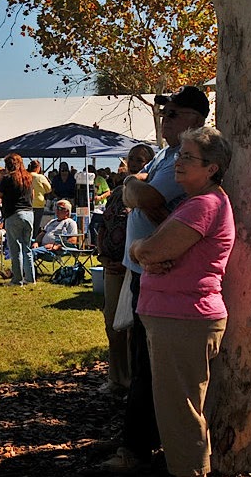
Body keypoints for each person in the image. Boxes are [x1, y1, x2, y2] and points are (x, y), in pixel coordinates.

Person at [101, 84, 208, 474]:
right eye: (165, 112)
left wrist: (133, 185)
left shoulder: (185, 158)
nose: (165, 118)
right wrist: (135, 183)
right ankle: (138, 438)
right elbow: (138, 187)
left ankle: (138, 447)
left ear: (195, 120)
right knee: (141, 358)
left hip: (160, 272)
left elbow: (144, 197)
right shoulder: (169, 154)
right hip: (144, 269)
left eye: (174, 113)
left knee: (150, 365)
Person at [127, 126, 234, 477]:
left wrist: (140, 249)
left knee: (180, 412)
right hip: (177, 317)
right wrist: (145, 251)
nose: (178, 162)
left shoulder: (204, 204)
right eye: (179, 154)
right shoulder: (197, 203)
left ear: (211, 168)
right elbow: (156, 250)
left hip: (184, 318)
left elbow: (156, 249)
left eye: (188, 156)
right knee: (178, 409)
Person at [95, 143, 155, 397]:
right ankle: (117, 379)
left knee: (134, 327)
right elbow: (105, 225)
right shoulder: (118, 191)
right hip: (112, 268)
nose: (133, 163)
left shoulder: (151, 193)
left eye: (139, 159)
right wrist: (102, 253)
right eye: (131, 158)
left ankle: (136, 381)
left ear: (149, 164)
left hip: (136, 268)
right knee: (113, 323)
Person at [0, 153, 35, 287]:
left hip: (14, 214)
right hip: (29, 213)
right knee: (27, 248)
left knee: (15, 249)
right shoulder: (28, 177)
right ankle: (30, 278)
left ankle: (17, 280)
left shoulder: (8, 179)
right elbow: (32, 196)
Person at [31, 199, 80, 263]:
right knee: (21, 247)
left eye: (60, 208)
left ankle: (26, 272)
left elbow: (73, 241)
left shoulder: (70, 223)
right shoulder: (52, 221)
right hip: (42, 246)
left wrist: (57, 246)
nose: (57, 210)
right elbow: (42, 234)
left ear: (67, 211)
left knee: (31, 253)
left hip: (55, 250)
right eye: (56, 208)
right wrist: (36, 242)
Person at [29, 160, 53, 243]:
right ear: (38, 168)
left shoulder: (26, 175)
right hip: (38, 204)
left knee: (28, 225)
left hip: (27, 204)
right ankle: (33, 242)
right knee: (36, 226)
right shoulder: (40, 177)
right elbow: (49, 189)